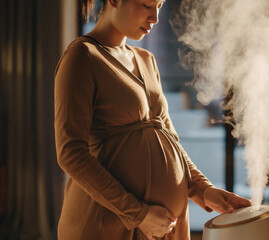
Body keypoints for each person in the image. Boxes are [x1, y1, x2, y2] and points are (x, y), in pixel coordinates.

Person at [54, 0, 252, 239]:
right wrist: (138, 214)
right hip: (108, 223)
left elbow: (171, 140)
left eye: (159, 5)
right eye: (146, 4)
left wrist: (203, 190)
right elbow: (71, 153)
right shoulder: (83, 56)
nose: (155, 17)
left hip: (165, 225)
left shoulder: (147, 59)